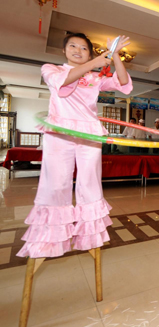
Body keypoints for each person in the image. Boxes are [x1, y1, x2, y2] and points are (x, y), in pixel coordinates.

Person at [17, 33, 133, 259]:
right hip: (59, 131)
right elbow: (63, 82)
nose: (78, 50)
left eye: (84, 48)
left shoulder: (95, 77)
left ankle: (89, 236)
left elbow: (123, 82)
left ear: (90, 53)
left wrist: (116, 56)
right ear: (64, 50)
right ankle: (49, 241)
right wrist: (95, 62)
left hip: (89, 131)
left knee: (90, 182)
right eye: (72, 46)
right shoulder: (51, 69)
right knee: (56, 182)